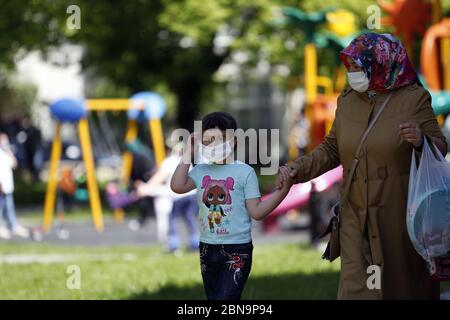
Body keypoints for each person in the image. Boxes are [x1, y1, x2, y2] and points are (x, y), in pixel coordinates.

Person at [279, 33, 447, 299]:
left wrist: (420, 141)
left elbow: (439, 146)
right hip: (355, 216)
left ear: (381, 63)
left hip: (400, 217)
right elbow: (332, 148)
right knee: (358, 291)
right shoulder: (347, 100)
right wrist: (296, 170)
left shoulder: (413, 98)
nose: (352, 72)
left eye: (357, 66)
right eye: (349, 66)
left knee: (402, 289)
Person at [171, 111, 293, 300]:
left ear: (234, 140)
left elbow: (257, 211)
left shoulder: (245, 172)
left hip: (237, 249)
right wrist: (189, 151)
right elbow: (177, 186)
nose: (213, 145)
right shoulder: (200, 171)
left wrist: (283, 192)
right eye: (208, 140)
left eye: (220, 139)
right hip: (207, 248)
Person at [137, 143, 199, 253]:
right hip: (191, 194)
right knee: (189, 217)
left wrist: (146, 188)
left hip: (178, 196)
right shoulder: (187, 163)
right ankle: (195, 241)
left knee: (172, 219)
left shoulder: (169, 162)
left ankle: (173, 243)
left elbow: (159, 177)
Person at [0, 133, 29, 239]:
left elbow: (14, 164)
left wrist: (9, 152)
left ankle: (13, 225)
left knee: (9, 207)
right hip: (2, 185)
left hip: (8, 185)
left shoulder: (6, 153)